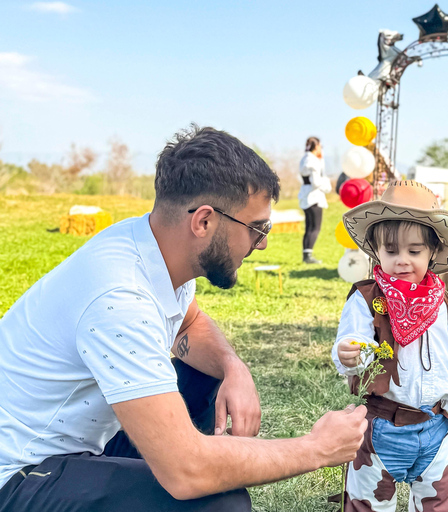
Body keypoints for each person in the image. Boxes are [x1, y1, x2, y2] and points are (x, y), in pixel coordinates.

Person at [0, 126, 368, 512]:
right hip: (20, 472)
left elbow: (188, 324)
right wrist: (316, 449)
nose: (262, 243)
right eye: (257, 228)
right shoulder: (119, 298)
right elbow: (186, 474)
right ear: (204, 222)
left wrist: (232, 367)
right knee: (218, 504)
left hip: (80, 439)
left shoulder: (152, 248)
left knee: (206, 377)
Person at [332, 180, 448, 511]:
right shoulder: (366, 298)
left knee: (438, 503)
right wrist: (350, 354)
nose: (402, 261)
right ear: (376, 251)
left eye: (414, 251)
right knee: (368, 503)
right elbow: (355, 340)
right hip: (381, 430)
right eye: (391, 251)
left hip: (435, 427)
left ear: (432, 251)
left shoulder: (440, 300)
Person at [298, 136, 332, 264]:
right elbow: (316, 182)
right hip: (314, 196)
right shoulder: (312, 161)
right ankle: (308, 256)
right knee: (315, 227)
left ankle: (306, 255)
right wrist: (327, 186)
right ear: (317, 146)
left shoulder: (304, 159)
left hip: (305, 195)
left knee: (309, 227)